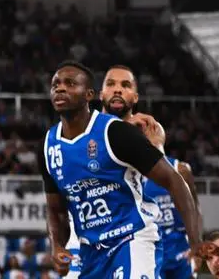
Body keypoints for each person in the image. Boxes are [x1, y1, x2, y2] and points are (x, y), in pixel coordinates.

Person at [41, 61, 201, 279]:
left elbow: (174, 180)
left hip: (130, 238)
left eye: (69, 83)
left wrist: (195, 242)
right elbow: (55, 208)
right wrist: (57, 246)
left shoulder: (117, 132)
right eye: (55, 84)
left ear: (89, 95)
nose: (60, 88)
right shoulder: (48, 145)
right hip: (89, 248)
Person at [100, 65, 202, 279]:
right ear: (100, 93)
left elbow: (193, 204)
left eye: (125, 85)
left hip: (150, 246)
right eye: (111, 84)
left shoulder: (175, 168)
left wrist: (196, 243)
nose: (117, 89)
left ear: (135, 97)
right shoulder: (88, 138)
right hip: (94, 245)